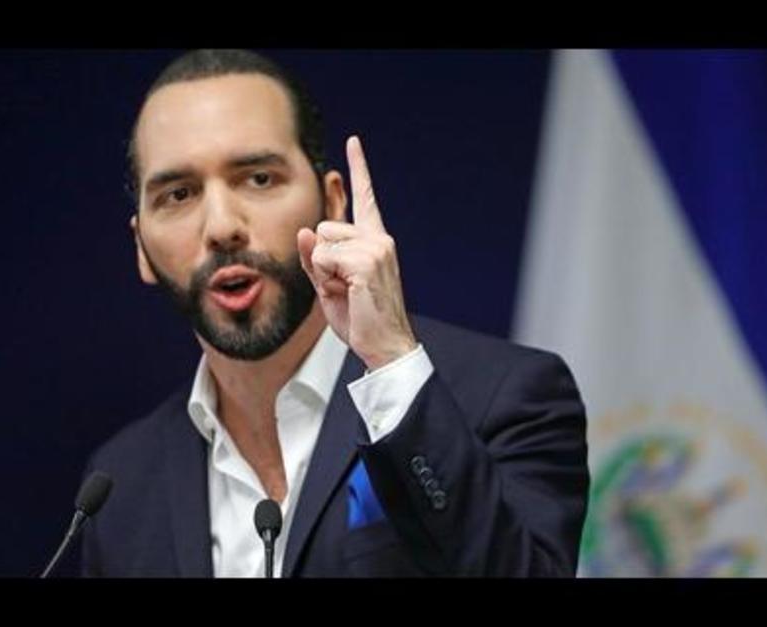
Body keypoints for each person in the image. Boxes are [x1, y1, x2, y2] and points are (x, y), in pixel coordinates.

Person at [81, 49, 589, 577]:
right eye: (179, 194)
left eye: (258, 179)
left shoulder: (503, 397)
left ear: (333, 203)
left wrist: (391, 366)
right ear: (141, 248)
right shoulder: (120, 485)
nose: (222, 226)